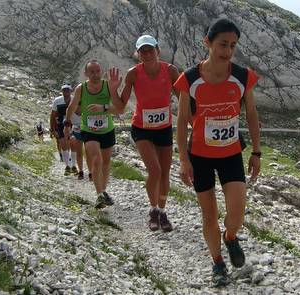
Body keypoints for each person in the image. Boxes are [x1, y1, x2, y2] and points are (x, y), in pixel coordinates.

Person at [174, 18, 261, 286]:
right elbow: (181, 121)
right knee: (209, 214)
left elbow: (252, 115)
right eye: (223, 44)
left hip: (231, 153)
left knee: (237, 213)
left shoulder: (242, 76)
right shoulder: (190, 79)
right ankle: (218, 264)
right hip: (200, 155)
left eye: (233, 45)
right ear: (208, 42)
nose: (228, 50)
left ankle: (230, 237)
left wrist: (256, 153)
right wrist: (183, 160)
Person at [108, 35, 180, 232]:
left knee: (165, 174)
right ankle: (153, 209)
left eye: (150, 50)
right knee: (155, 171)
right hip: (142, 129)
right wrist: (113, 90)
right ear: (138, 54)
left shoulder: (170, 70)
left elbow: (183, 97)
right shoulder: (133, 74)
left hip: (164, 128)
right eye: (143, 51)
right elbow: (121, 107)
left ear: (158, 50)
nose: (147, 54)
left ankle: (162, 212)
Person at [64, 60, 117, 208]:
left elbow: (119, 109)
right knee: (96, 159)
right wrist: (67, 123)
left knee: (106, 163)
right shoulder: (81, 88)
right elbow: (72, 106)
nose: (95, 74)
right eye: (92, 72)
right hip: (88, 129)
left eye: (97, 71)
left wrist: (103, 107)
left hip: (107, 129)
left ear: (101, 71)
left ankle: (104, 191)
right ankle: (99, 194)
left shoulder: (108, 86)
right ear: (86, 74)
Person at [50, 84, 74, 174]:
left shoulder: (74, 99)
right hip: (60, 124)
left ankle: (70, 160)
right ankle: (65, 160)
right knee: (62, 141)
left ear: (70, 91)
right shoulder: (57, 101)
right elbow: (52, 115)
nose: (66, 92)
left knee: (70, 141)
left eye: (67, 90)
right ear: (62, 91)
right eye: (64, 90)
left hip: (72, 124)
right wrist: (52, 128)